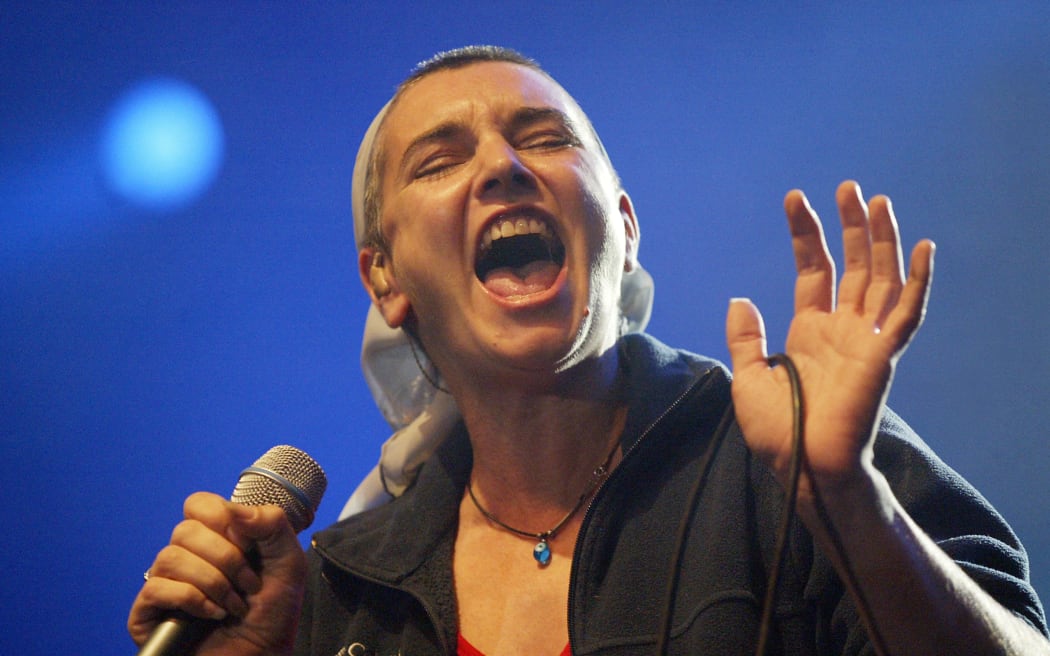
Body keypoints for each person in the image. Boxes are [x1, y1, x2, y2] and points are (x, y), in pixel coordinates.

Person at [129, 46, 1049, 656]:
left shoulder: (792, 457)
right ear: (385, 280)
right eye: (441, 160)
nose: (503, 166)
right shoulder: (340, 594)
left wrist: (846, 502)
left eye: (544, 138)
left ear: (623, 225)